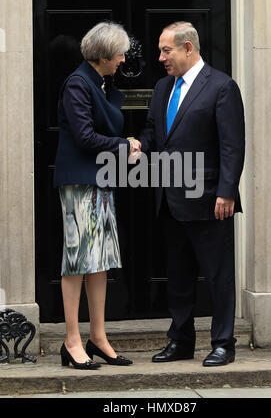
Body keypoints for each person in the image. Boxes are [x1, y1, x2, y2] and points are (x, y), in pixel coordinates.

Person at [138, 21, 245, 367]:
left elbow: (232, 145)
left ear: (188, 48)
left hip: (210, 200)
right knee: (179, 276)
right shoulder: (161, 87)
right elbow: (155, 131)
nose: (160, 58)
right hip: (169, 199)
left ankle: (223, 343)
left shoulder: (221, 86)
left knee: (218, 275)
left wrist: (227, 192)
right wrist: (138, 146)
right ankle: (181, 340)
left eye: (166, 50)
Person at [53, 21, 139, 369]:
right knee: (77, 261)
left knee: (100, 261)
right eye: (119, 53)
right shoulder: (77, 84)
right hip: (79, 182)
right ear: (103, 54)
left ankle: (98, 337)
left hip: (99, 181)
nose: (122, 59)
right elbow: (86, 137)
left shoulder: (98, 82)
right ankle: (72, 340)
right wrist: (125, 144)